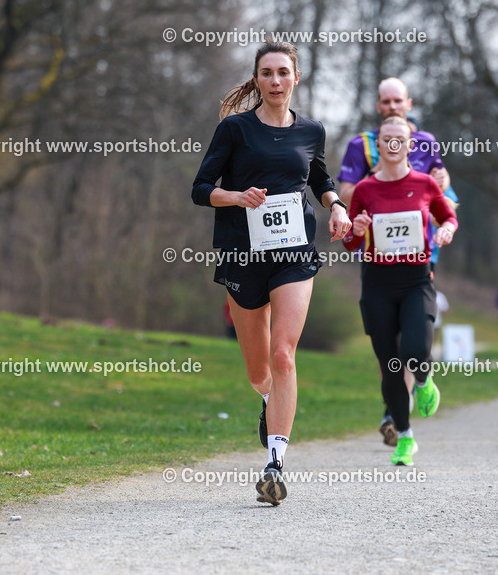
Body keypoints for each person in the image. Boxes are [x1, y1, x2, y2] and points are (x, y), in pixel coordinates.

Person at [191, 40, 351, 505]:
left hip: (293, 252)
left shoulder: (312, 130)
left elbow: (318, 177)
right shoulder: (235, 129)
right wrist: (237, 197)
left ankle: (275, 465)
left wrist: (337, 206)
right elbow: (201, 188)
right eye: (267, 73)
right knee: (259, 371)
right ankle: (268, 399)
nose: (276, 81)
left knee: (283, 356)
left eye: (283, 72)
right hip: (243, 255)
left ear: (296, 77)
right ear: (257, 79)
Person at [337, 77, 458, 446]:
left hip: (420, 258)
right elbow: (346, 197)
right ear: (378, 106)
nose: (392, 106)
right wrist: (375, 192)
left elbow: (445, 198)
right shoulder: (362, 147)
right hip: (377, 259)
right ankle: (397, 413)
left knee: (414, 342)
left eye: (397, 101)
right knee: (388, 348)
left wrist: (445, 215)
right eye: (385, 101)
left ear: (409, 103)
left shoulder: (427, 144)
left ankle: (415, 387)